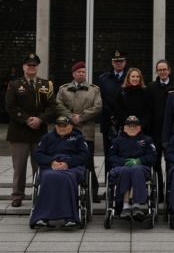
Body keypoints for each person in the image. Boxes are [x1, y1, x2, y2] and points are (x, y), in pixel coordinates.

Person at [5, 53, 55, 207]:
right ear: (23, 67)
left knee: (39, 165)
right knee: (19, 167)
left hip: (39, 132)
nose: (31, 68)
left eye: (34, 65)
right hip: (19, 131)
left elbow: (52, 107)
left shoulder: (46, 85)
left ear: (37, 67)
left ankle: (40, 193)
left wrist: (40, 119)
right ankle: (17, 195)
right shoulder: (14, 85)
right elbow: (10, 107)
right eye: (29, 65)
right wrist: (27, 119)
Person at [30, 115, 90, 228]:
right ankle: (42, 217)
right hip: (51, 166)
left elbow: (84, 155)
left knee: (67, 178)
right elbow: (38, 154)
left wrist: (68, 164)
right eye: (59, 126)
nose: (61, 128)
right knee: (48, 177)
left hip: (71, 166)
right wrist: (51, 162)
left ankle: (69, 217)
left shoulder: (78, 138)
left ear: (71, 126)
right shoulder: (47, 138)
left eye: (65, 126)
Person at [55, 61, 102, 201]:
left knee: (88, 162)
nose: (81, 74)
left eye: (83, 71)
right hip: (67, 131)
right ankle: (70, 190)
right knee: (68, 160)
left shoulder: (94, 89)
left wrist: (81, 117)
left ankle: (92, 193)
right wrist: (71, 117)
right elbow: (58, 105)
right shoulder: (63, 89)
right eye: (78, 72)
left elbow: (98, 107)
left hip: (86, 132)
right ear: (73, 74)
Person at [108, 115, 157, 221]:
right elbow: (111, 157)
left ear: (139, 127)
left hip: (141, 167)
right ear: (124, 127)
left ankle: (136, 205)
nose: (132, 128)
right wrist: (123, 162)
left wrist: (139, 161)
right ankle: (125, 206)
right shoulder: (117, 141)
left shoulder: (147, 140)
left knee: (136, 169)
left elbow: (153, 156)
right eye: (129, 126)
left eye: (135, 126)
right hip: (122, 167)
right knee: (126, 171)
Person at [148, 59, 174, 202]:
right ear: (156, 71)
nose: (162, 72)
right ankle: (158, 193)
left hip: (172, 132)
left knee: (171, 163)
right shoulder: (151, 87)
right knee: (156, 164)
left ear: (169, 70)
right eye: (160, 70)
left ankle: (171, 192)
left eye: (165, 69)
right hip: (156, 132)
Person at [97, 50, 129, 172]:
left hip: (125, 122)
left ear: (125, 62)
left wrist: (121, 116)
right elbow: (101, 99)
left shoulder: (131, 77)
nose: (118, 63)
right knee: (109, 154)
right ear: (112, 62)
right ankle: (110, 185)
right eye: (116, 61)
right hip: (108, 123)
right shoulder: (104, 78)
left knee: (125, 153)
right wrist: (112, 115)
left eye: (121, 61)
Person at [113, 68, 153, 134]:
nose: (135, 78)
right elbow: (118, 110)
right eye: (133, 76)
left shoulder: (145, 92)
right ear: (128, 78)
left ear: (140, 78)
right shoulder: (122, 92)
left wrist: (141, 124)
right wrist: (127, 122)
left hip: (142, 129)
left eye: (137, 77)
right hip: (125, 128)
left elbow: (149, 110)